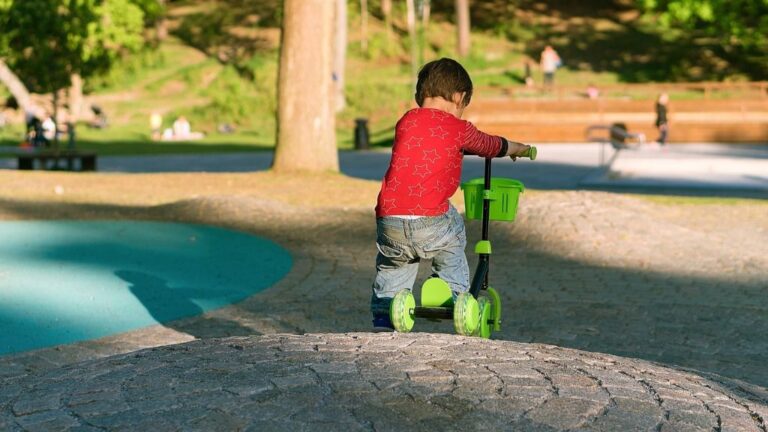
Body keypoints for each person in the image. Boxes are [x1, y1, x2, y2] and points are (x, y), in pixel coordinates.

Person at [370, 58, 532, 330]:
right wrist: (519, 148)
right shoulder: (458, 128)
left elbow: (426, 141)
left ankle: (386, 313)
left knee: (394, 264)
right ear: (459, 97)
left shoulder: (406, 121)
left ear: (419, 95)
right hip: (430, 221)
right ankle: (454, 296)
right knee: (453, 232)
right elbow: (489, 144)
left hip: (389, 219)